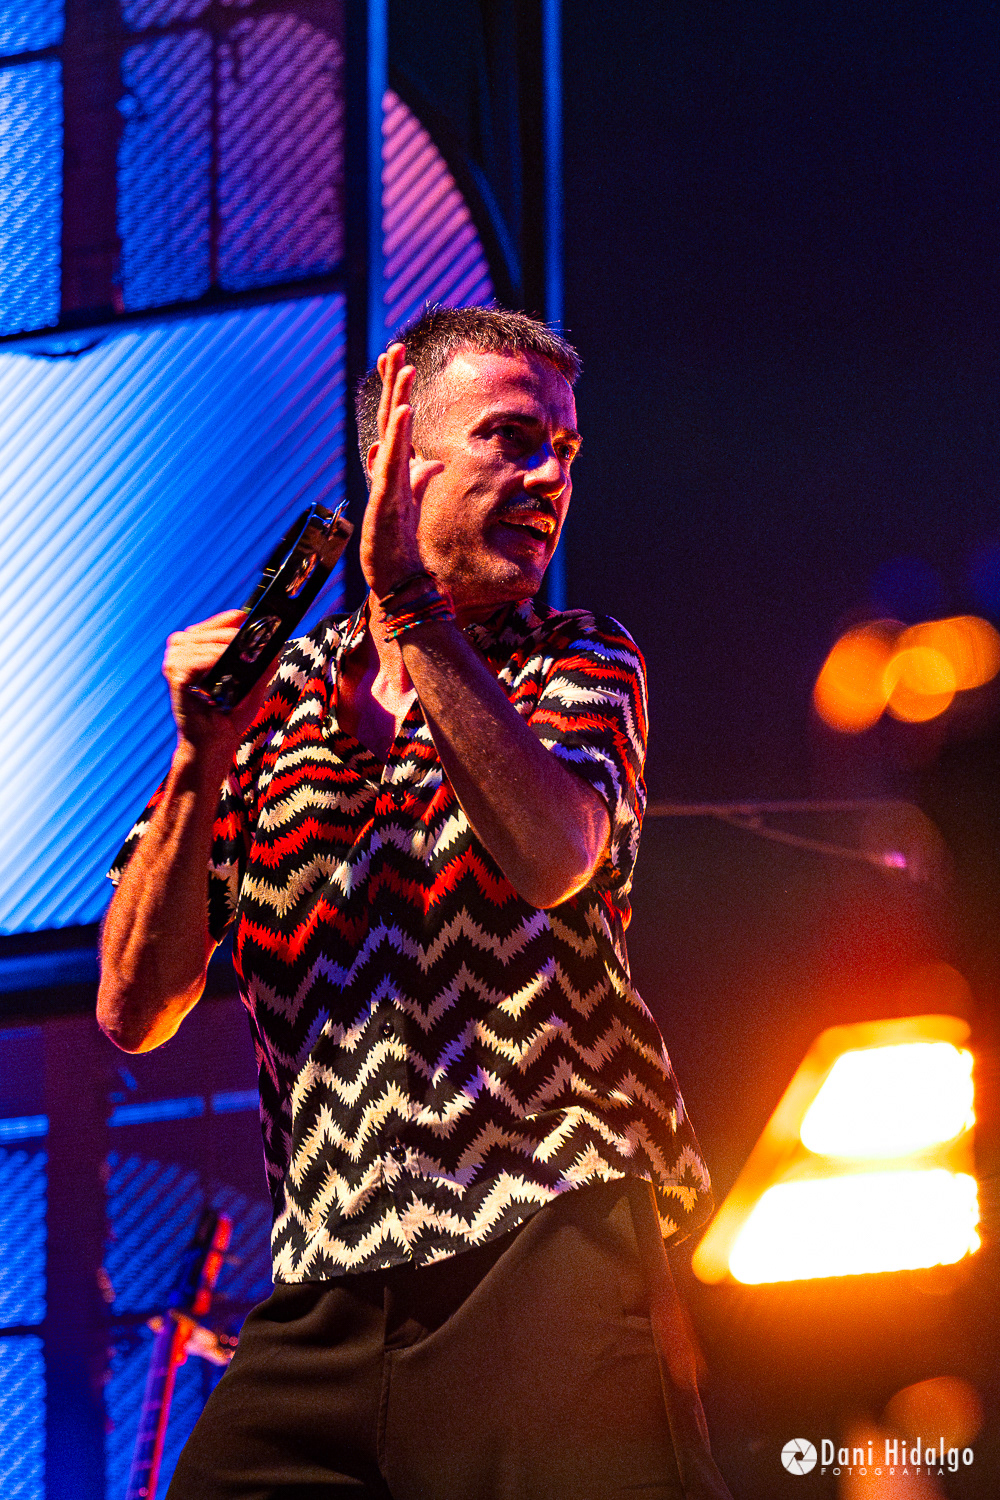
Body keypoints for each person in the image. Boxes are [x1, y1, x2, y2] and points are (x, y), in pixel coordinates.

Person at [98, 307, 732, 1500]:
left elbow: (553, 856)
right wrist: (198, 756)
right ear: (402, 451)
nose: (549, 478)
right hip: (326, 1285)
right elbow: (134, 1006)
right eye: (512, 438)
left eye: (565, 452)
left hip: (547, 1242)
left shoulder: (577, 660)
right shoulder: (272, 705)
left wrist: (414, 613)